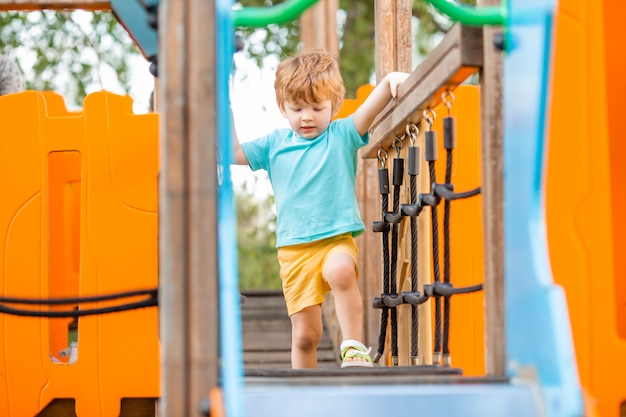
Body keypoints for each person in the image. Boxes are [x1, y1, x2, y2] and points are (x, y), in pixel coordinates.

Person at [233, 48, 409, 369]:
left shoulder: (341, 135)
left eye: (317, 107)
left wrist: (389, 82)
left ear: (334, 106)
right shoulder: (274, 144)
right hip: (294, 251)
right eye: (297, 108)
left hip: (335, 240)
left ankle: (353, 348)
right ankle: (305, 389)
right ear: (282, 108)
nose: (307, 117)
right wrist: (223, 106)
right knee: (306, 335)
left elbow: (370, 109)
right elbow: (233, 152)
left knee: (340, 271)